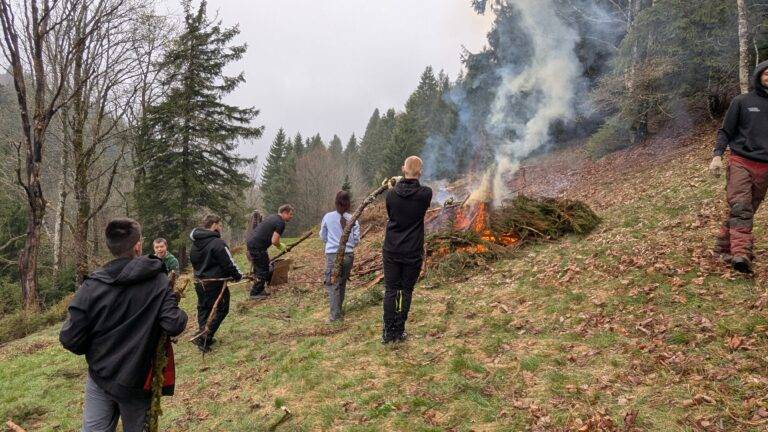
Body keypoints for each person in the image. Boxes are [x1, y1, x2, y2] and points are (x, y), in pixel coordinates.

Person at [60, 218, 187, 432]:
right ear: (138, 245)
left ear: (110, 247)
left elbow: (69, 338)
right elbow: (173, 324)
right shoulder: (158, 281)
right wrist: (176, 307)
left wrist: (95, 350)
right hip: (137, 381)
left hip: (100, 376)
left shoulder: (91, 286)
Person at [710, 60, 768, 274]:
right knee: (742, 208)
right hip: (740, 161)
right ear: (759, 76)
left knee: (744, 211)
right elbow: (725, 131)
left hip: (765, 167)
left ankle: (722, 248)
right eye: (767, 74)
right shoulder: (742, 101)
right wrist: (717, 156)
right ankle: (741, 255)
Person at [382, 156, 432, 343]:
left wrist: (396, 182)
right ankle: (400, 330)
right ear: (420, 172)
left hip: (392, 248)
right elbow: (416, 188)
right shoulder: (426, 194)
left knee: (391, 290)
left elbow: (391, 213)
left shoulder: (391, 194)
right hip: (412, 250)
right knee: (406, 291)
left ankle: (388, 332)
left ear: (403, 169)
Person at [189, 214, 243, 352]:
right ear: (214, 224)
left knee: (204, 308)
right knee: (222, 308)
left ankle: (203, 336)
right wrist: (238, 276)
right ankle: (203, 337)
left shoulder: (195, 244)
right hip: (214, 284)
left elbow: (195, 262)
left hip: (199, 282)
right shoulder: (218, 243)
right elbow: (228, 263)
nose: (220, 227)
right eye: (219, 224)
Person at [320, 191, 360, 322]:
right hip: (349, 255)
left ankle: (335, 316)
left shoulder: (328, 217)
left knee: (333, 284)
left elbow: (323, 236)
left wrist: (332, 242)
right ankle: (338, 310)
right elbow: (356, 239)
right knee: (341, 282)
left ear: (336, 202)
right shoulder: (353, 218)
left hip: (333, 255)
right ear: (349, 203)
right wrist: (348, 244)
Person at [246, 204, 294, 299]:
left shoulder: (273, 217)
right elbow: (274, 241)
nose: (291, 217)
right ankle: (255, 293)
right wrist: (281, 246)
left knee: (259, 267)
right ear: (284, 213)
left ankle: (259, 289)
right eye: (290, 214)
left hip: (252, 243)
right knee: (263, 269)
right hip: (257, 246)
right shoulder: (281, 223)